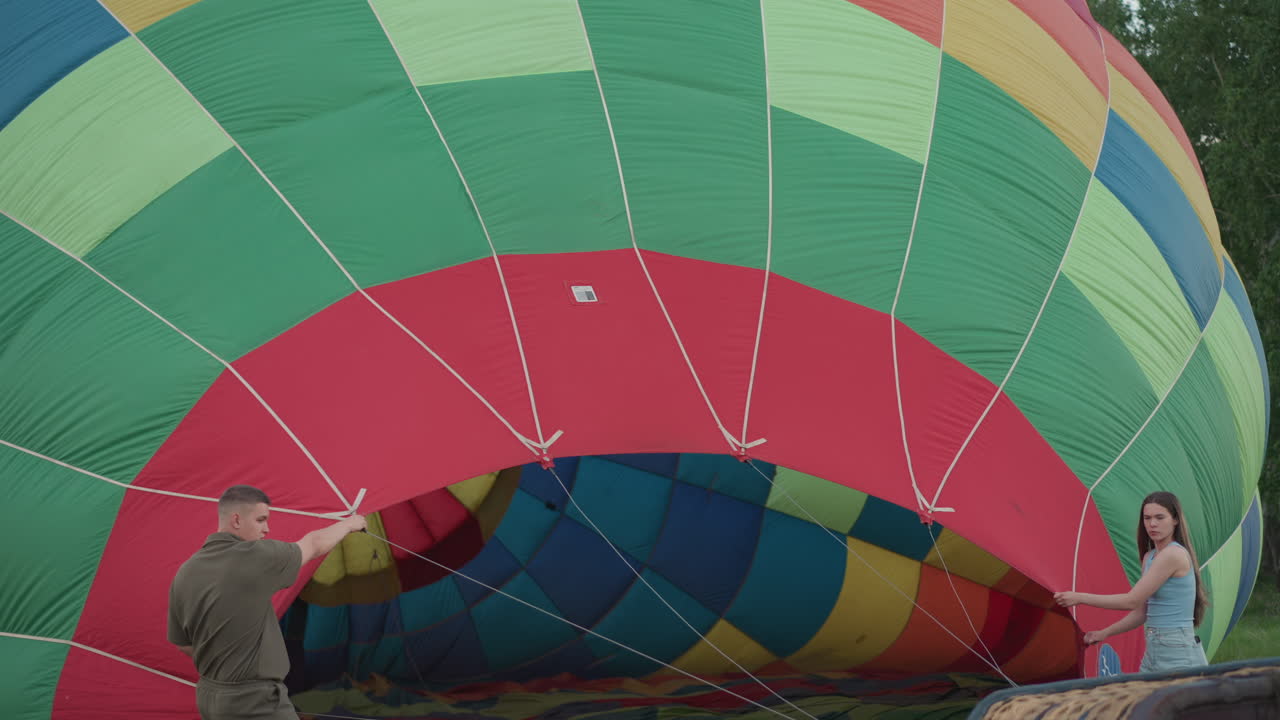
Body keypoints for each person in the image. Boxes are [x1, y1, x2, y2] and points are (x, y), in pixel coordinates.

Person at [168, 485, 367, 719]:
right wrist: (350, 524)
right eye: (261, 520)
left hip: (210, 698)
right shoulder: (256, 556)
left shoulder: (186, 571)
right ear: (236, 520)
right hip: (255, 701)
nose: (267, 529)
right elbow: (313, 544)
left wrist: (225, 664)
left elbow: (182, 644)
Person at [1054, 490, 1209, 673]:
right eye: (1147, 518)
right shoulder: (1150, 557)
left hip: (1176, 650)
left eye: (1160, 517)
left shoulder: (1173, 555)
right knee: (1143, 701)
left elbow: (1131, 600)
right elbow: (1141, 611)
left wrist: (1079, 597)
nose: (1152, 524)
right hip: (1154, 649)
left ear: (1175, 520)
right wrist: (1105, 633)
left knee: (1171, 702)